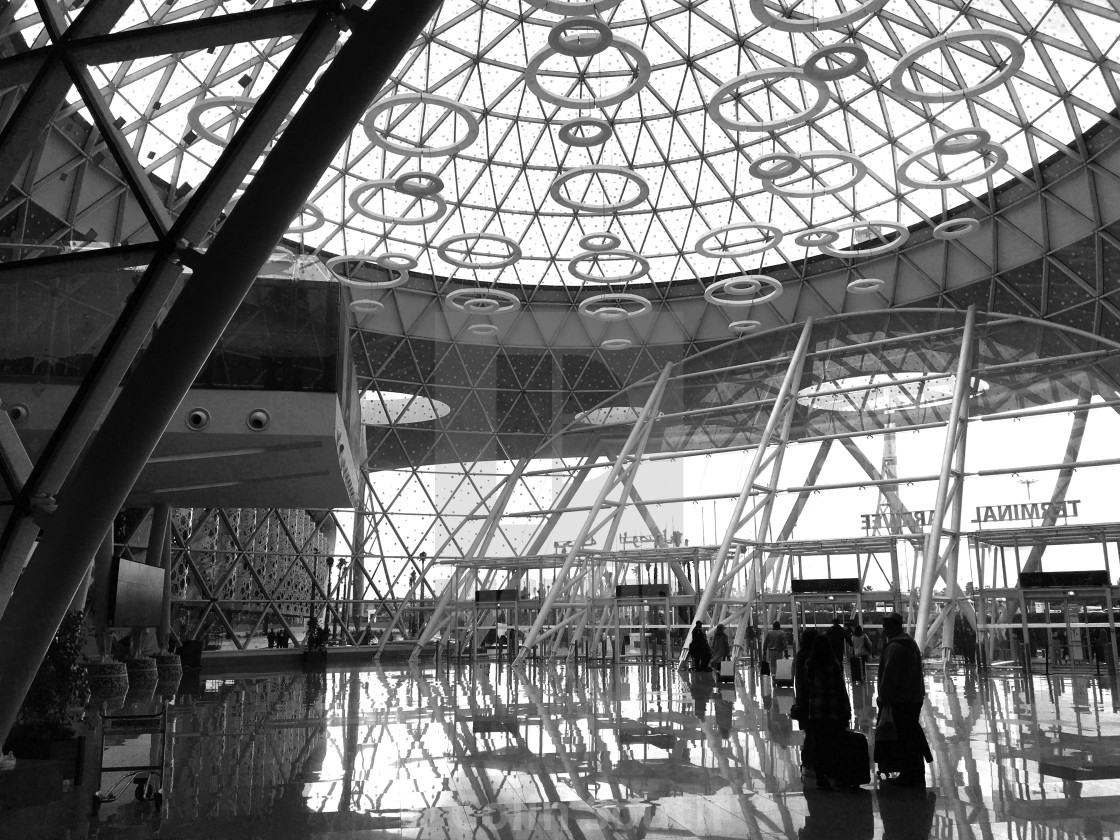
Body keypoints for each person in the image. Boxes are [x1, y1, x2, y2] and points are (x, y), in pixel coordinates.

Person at [877, 611, 932, 787]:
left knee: (904, 738)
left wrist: (883, 697)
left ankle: (909, 774)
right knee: (911, 735)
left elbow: (889, 676)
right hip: (914, 697)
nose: (884, 630)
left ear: (894, 626)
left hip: (900, 699)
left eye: (886, 626)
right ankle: (916, 771)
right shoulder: (910, 644)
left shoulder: (895, 647)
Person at [803, 635, 851, 789]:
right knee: (833, 741)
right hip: (832, 707)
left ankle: (820, 776)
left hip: (816, 708)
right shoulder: (833, 664)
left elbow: (808, 687)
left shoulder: (810, 664)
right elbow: (840, 687)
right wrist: (846, 707)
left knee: (819, 741)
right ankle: (834, 773)